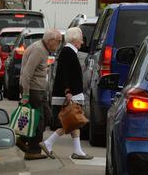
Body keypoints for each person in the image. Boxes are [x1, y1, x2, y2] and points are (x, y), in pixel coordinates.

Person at [40, 27, 94, 160]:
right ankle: (49, 143)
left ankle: (77, 150)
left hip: (71, 94)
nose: (82, 42)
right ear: (75, 39)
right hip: (69, 95)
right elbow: (64, 74)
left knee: (74, 122)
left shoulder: (69, 51)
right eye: (81, 39)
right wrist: (67, 91)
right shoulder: (67, 52)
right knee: (69, 122)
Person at [18, 29, 62, 160]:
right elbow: (27, 73)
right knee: (39, 120)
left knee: (47, 117)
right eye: (58, 41)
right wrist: (25, 95)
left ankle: (22, 139)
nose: (59, 44)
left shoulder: (42, 48)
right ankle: (33, 150)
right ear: (50, 41)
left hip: (39, 90)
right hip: (33, 90)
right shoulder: (39, 50)